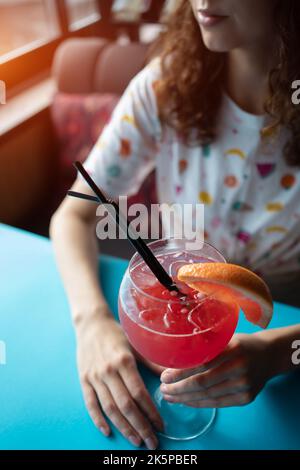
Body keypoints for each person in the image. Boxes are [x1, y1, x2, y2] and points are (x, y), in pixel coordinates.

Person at [50, 0, 300, 450]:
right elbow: (73, 214)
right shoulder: (163, 89)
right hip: (176, 307)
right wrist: (91, 322)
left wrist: (281, 352)